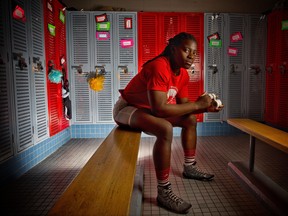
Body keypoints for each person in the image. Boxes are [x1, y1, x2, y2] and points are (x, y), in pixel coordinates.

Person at [113, 32, 223, 214]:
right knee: (165, 128)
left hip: (146, 109)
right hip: (127, 108)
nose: (191, 56)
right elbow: (159, 110)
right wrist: (197, 104)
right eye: (186, 50)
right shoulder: (159, 67)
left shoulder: (184, 75)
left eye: (194, 53)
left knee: (190, 119)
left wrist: (205, 108)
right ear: (173, 49)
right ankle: (163, 191)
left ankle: (190, 167)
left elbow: (184, 107)